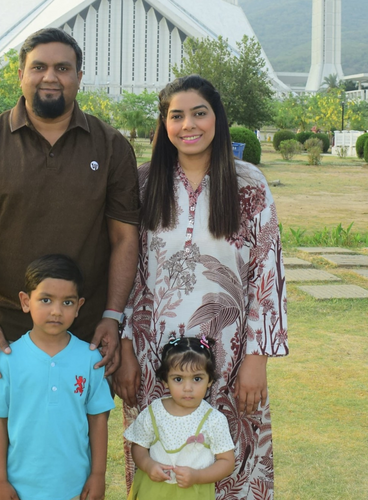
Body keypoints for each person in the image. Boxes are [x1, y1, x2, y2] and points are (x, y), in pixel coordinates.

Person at [0, 27, 139, 500]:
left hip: (81, 335)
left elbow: (124, 238)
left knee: (70, 454)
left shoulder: (110, 146)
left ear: (79, 77)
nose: (51, 77)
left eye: (63, 68)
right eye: (39, 67)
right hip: (0, 333)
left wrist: (112, 316)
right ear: (21, 74)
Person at [112, 75, 289, 499]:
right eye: (177, 116)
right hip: (156, 359)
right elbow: (128, 272)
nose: (188, 125)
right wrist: (126, 349)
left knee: (231, 461)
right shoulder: (142, 184)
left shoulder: (249, 185)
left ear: (217, 118)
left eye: (199, 113)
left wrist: (256, 360)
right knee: (161, 463)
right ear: (164, 123)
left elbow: (267, 274)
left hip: (230, 359)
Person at [0, 255, 115, 500]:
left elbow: (98, 420)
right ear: (26, 302)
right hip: (21, 488)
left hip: (74, 487)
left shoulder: (90, 360)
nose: (56, 311)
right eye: (46, 300)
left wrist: (98, 475)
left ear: (79, 306)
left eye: (67, 302)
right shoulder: (8, 361)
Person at [124, 336, 235, 500]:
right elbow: (138, 447)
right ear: (165, 381)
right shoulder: (154, 412)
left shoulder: (214, 420)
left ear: (210, 380)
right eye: (178, 379)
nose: (188, 388)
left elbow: (227, 462)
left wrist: (198, 476)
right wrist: (148, 465)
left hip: (194, 495)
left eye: (197, 379)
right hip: (153, 492)